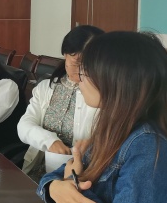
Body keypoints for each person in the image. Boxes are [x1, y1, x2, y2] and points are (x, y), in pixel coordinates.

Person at [37, 31, 167, 203]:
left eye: (86, 72)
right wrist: (55, 189)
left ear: (115, 81)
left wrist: (73, 187)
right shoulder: (113, 129)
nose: (78, 79)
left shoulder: (147, 144)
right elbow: (60, 175)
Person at [18, 25, 104, 182]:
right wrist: (49, 141)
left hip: (81, 177)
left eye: (89, 64)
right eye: (77, 63)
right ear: (65, 55)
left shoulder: (101, 96)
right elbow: (24, 125)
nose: (82, 70)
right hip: (40, 172)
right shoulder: (46, 87)